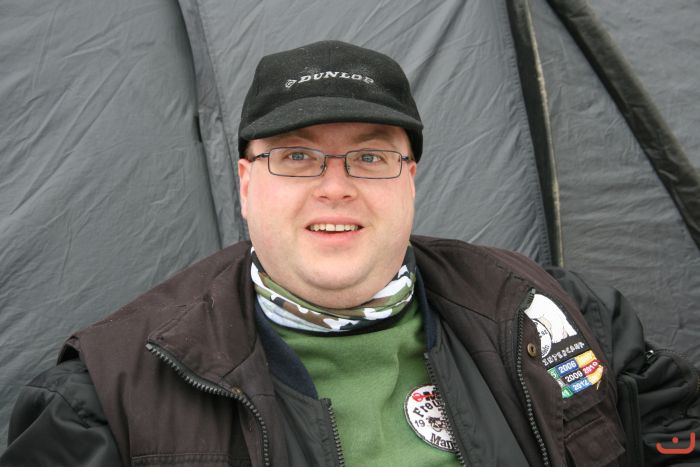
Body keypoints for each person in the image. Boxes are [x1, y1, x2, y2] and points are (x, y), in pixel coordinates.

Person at [2, 40, 699, 467]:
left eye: (369, 156)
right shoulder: (110, 393)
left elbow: (672, 425)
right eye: (296, 156)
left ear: (410, 180)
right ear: (246, 183)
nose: (335, 188)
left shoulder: (553, 311)